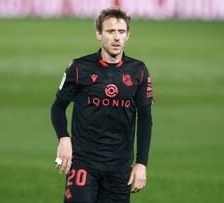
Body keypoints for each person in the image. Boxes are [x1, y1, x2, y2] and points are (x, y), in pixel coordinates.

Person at [51, 7, 154, 203]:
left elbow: (145, 119)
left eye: (121, 32)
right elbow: (58, 107)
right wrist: (64, 139)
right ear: (99, 34)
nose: (117, 38)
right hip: (83, 163)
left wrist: (141, 163)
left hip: (119, 167)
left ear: (128, 35)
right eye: (110, 31)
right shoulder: (80, 68)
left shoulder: (138, 71)